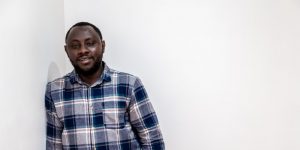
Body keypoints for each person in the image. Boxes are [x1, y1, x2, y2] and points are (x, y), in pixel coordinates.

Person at [45, 22, 165, 150]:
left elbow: (152, 138)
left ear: (102, 45)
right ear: (66, 50)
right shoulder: (55, 90)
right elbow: (54, 144)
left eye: (90, 43)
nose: (83, 50)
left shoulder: (128, 84)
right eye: (75, 46)